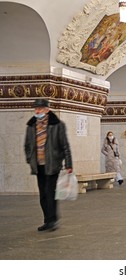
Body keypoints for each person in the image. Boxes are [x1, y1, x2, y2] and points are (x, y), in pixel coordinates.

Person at [24, 99, 73, 232]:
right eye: (36, 109)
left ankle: (52, 220)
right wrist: (30, 159)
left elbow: (65, 146)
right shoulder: (31, 125)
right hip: (38, 165)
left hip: (53, 164)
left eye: (39, 109)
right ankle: (47, 220)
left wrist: (68, 164)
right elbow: (27, 145)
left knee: (49, 192)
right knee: (43, 195)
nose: (37, 111)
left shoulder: (57, 125)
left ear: (47, 109)